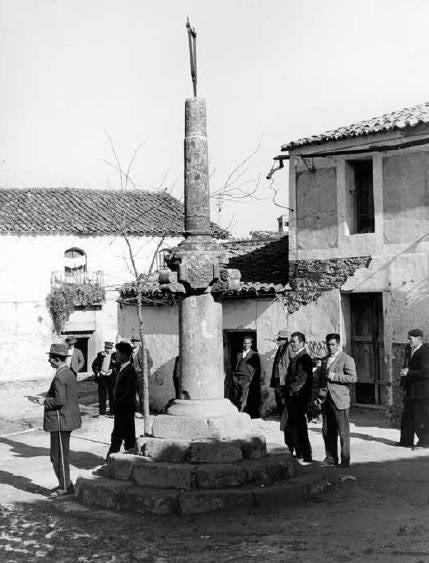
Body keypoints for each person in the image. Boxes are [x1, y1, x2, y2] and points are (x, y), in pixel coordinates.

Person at [43, 343, 82, 497]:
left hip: (61, 421)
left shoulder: (60, 376)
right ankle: (64, 484)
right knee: (59, 454)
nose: (49, 361)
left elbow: (59, 400)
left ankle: (65, 487)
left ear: (57, 359)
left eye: (51, 359)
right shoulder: (69, 373)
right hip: (66, 419)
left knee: (58, 456)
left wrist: (45, 401)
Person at [317, 333, 357, 468]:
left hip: (340, 399)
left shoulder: (347, 359)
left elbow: (353, 378)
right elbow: (322, 380)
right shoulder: (325, 359)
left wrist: (334, 376)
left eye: (333, 344)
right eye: (328, 345)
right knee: (327, 430)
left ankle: (345, 460)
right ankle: (330, 458)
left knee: (343, 432)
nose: (330, 347)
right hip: (326, 400)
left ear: (338, 344)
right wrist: (320, 396)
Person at [283, 332, 313, 462]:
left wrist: (289, 390)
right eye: (291, 342)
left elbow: (301, 380)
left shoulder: (304, 357)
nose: (292, 344)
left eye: (294, 342)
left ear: (302, 342)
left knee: (300, 427)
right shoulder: (297, 356)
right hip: (295, 397)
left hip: (298, 398)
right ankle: (300, 452)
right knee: (294, 426)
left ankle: (306, 454)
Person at [107, 341, 137, 459]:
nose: (116, 355)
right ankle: (124, 458)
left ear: (125, 355)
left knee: (119, 435)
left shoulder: (130, 370)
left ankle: (110, 460)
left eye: (118, 353)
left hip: (125, 408)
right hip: (121, 408)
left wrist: (118, 403)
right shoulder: (120, 368)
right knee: (124, 436)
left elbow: (129, 392)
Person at [399, 329, 429, 448]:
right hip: (411, 390)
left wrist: (409, 373)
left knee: (422, 418)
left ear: (419, 339)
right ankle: (405, 442)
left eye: (410, 339)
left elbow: (426, 372)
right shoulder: (409, 349)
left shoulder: (425, 352)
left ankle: (425, 442)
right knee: (407, 417)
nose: (409, 341)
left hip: (422, 391)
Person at [233, 336, 261, 417]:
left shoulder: (254, 355)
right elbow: (234, 368)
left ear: (251, 344)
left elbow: (256, 370)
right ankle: (238, 415)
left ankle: (244, 415)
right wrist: (234, 378)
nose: (246, 345)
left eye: (248, 343)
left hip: (247, 380)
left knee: (244, 399)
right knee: (237, 398)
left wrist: (250, 381)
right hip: (237, 379)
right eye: (244, 343)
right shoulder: (239, 354)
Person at [92, 341, 117, 416]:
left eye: (109, 348)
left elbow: (118, 366)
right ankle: (102, 412)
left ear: (112, 348)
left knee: (112, 394)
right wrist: (97, 373)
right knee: (102, 395)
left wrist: (112, 370)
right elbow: (94, 365)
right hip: (102, 377)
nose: (108, 350)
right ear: (104, 348)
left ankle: (112, 412)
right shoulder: (100, 355)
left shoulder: (115, 355)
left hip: (112, 378)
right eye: (106, 348)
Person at [131, 337, 153, 415]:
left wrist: (144, 370)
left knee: (142, 395)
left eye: (136, 341)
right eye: (133, 341)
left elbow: (150, 363)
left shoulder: (144, 351)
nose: (134, 343)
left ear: (139, 342)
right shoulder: (129, 352)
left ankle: (144, 412)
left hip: (141, 375)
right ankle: (135, 411)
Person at [270, 330, 290, 415]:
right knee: (278, 395)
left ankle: (285, 416)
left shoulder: (288, 348)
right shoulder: (280, 348)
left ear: (284, 339)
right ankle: (282, 415)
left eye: (279, 339)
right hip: (278, 377)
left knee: (283, 397)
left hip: (284, 377)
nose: (277, 340)